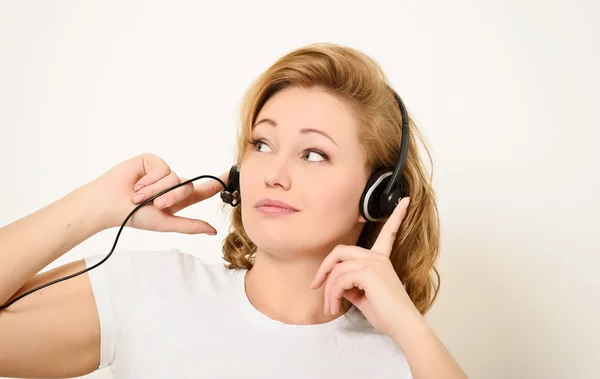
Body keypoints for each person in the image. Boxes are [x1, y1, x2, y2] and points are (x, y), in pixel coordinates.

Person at [0, 43, 467, 378]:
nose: (274, 173)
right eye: (262, 144)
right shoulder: (153, 292)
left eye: (313, 154)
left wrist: (409, 328)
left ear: (378, 195)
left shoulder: (403, 361)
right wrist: (98, 206)